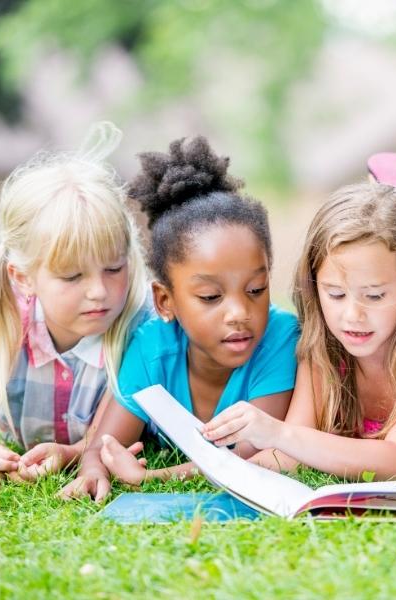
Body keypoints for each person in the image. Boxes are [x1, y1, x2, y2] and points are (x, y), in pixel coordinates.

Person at [61, 136, 298, 501]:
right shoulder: (151, 346)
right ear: (165, 300)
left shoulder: (280, 338)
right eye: (210, 297)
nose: (239, 313)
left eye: (256, 290)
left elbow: (245, 455)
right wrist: (94, 468)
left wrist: (152, 478)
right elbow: (104, 444)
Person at [199, 180, 396, 480]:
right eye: (335, 294)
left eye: (374, 295)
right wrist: (184, 473)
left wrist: (278, 432)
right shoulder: (323, 346)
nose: (353, 315)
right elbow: (289, 454)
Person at [0, 122, 149, 491]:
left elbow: (104, 444)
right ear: (23, 277)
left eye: (113, 268)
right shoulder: (3, 319)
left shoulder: (138, 328)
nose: (99, 291)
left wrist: (71, 453)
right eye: (72, 277)